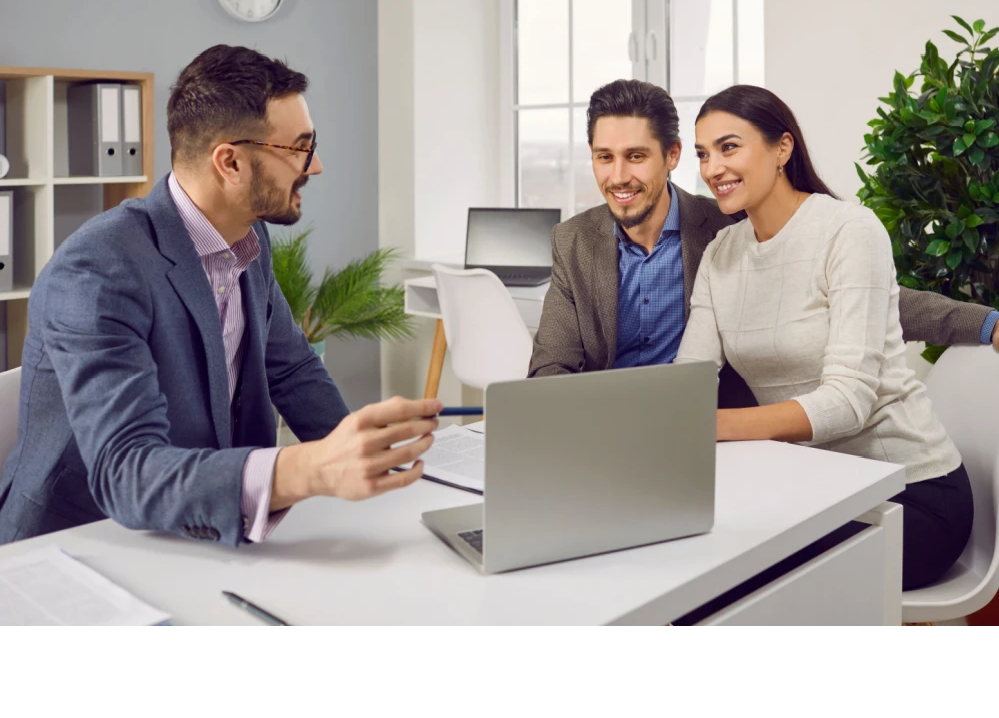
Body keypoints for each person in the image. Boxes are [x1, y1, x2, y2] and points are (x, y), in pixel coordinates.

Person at [0, 45, 440, 546]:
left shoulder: (246, 239)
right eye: (300, 146)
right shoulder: (97, 269)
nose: (314, 166)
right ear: (229, 162)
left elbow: (291, 370)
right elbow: (125, 471)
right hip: (78, 546)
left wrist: (375, 462)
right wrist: (307, 469)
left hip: (197, 529)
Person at [528, 79, 999, 414]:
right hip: (606, 430)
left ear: (671, 157)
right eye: (603, 157)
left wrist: (985, 323)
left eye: (635, 156)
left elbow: (862, 298)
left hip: (719, 435)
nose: (618, 176)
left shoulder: (724, 229)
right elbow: (550, 368)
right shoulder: (573, 242)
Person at [675, 84, 974, 590]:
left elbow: (848, 402)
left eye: (729, 147)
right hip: (812, 487)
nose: (711, 169)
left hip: (907, 494)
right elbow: (689, 381)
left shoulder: (848, 231)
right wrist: (659, 422)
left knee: (721, 577)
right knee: (681, 552)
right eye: (704, 154)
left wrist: (709, 424)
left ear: (782, 149)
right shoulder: (721, 252)